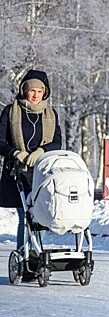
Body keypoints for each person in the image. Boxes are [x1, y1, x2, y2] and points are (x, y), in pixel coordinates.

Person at [0, 69, 62, 250]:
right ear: (24, 90)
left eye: (40, 91)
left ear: (45, 92)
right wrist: (15, 153)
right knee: (25, 216)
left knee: (40, 215)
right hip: (18, 172)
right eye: (32, 90)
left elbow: (57, 142)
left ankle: (36, 254)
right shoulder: (11, 111)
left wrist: (41, 150)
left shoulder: (50, 114)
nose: (35, 94)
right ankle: (23, 254)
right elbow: (0, 142)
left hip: (42, 171)